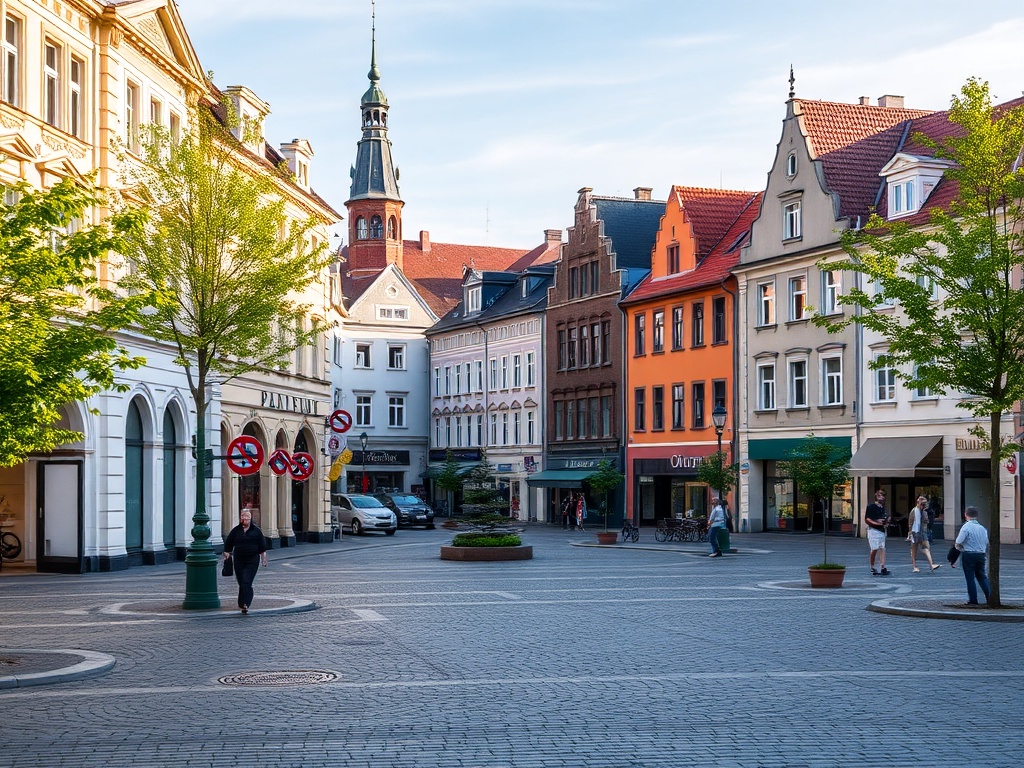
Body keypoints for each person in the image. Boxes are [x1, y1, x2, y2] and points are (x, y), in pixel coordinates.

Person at [223, 506, 268, 614]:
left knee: (247, 581)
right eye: (243, 517)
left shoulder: (257, 531)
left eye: (247, 517)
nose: (244, 519)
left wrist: (264, 559)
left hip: (252, 559)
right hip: (239, 559)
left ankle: (245, 604)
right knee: (241, 581)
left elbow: (262, 547)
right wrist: (227, 553)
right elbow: (228, 544)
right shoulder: (236, 531)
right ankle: (241, 602)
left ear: (250, 518)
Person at [954, 506, 990, 606]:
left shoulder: (966, 527)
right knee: (982, 577)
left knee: (970, 578)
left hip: (969, 554)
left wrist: (960, 550)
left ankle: (973, 600)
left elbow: (958, 542)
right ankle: (990, 597)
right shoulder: (982, 528)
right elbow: (986, 542)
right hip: (981, 554)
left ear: (965, 514)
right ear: (976, 515)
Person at [908, 496, 941, 573]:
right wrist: (910, 533)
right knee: (914, 549)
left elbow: (926, 522)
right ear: (918, 503)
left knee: (926, 548)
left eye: (925, 504)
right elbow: (910, 522)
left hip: (923, 532)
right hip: (915, 532)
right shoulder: (914, 511)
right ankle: (915, 566)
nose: (923, 506)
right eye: (922, 504)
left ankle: (931, 564)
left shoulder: (924, 512)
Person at [864, 488, 890, 576]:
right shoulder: (871, 506)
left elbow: (884, 518)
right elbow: (867, 519)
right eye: (879, 495)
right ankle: (872, 566)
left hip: (882, 531)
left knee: (882, 549)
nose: (881, 498)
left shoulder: (883, 507)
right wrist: (877, 523)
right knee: (874, 548)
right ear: (876, 496)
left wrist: (886, 521)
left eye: (883, 495)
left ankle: (882, 567)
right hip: (874, 530)